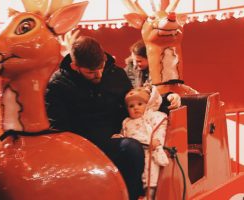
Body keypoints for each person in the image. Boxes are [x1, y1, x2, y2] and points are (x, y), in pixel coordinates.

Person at [45, 36, 180, 200]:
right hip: (82, 147)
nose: (98, 74)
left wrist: (167, 99)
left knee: (134, 147)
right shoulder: (58, 84)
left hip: (116, 139)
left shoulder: (116, 73)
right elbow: (58, 128)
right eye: (91, 72)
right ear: (75, 67)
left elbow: (135, 100)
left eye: (101, 68)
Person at [119, 85, 169, 199]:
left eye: (140, 104)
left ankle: (150, 194)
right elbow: (124, 134)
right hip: (133, 152)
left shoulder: (154, 116)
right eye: (131, 106)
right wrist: (119, 136)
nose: (136, 108)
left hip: (149, 149)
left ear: (148, 104)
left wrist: (157, 140)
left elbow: (160, 128)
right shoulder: (127, 122)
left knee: (150, 172)